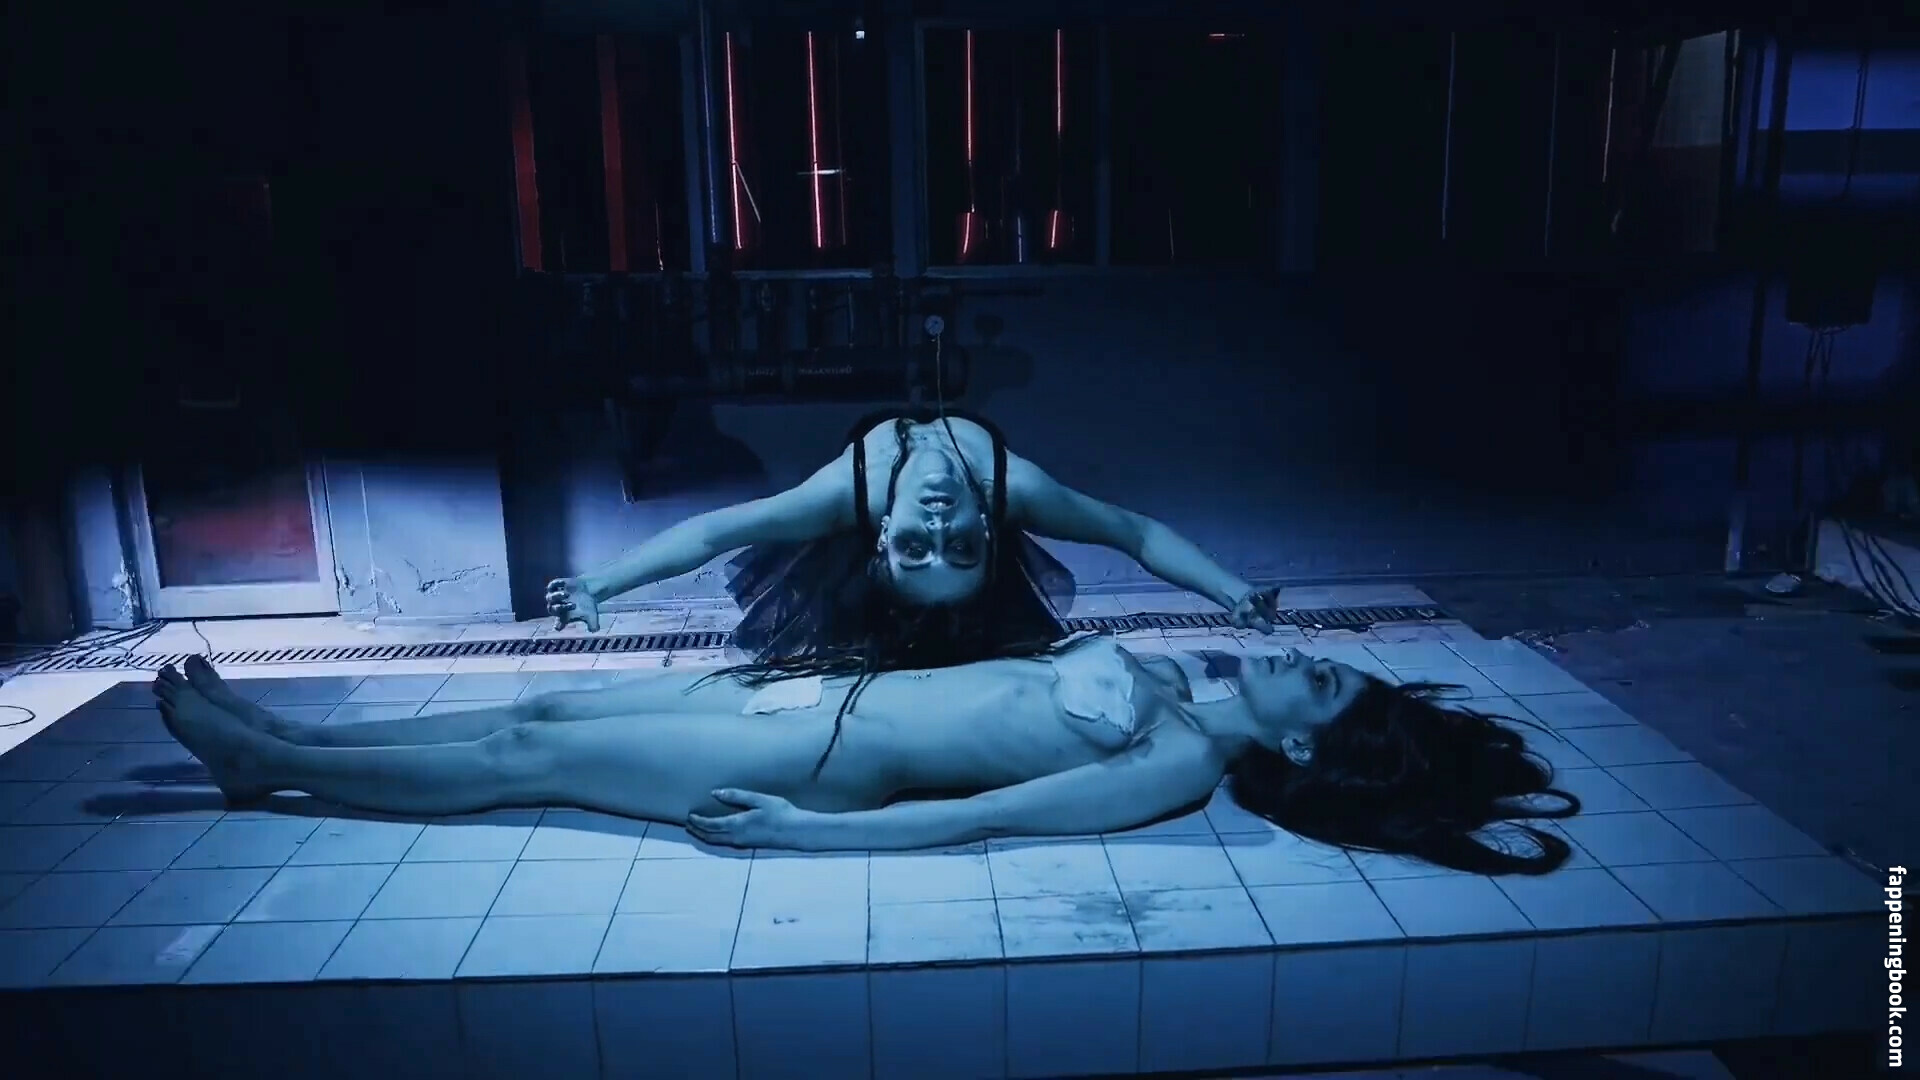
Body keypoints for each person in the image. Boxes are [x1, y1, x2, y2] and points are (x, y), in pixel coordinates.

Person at [154, 639, 1580, 874]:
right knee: (561, 712)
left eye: (1313, 678)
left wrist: (805, 834)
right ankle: (290, 736)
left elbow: (988, 819)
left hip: (826, 767)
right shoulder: (1166, 683)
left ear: (1305, 737)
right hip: (817, 700)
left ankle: (267, 768)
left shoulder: (1171, 762)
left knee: (529, 753)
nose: (1289, 657)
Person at [543, 408, 1281, 670]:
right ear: (986, 530)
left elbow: (714, 532)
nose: (935, 527)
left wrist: (598, 584)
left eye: (916, 549)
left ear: (884, 537)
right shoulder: (1010, 488)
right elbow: (1133, 532)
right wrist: (1232, 592)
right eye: (958, 547)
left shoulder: (851, 493)